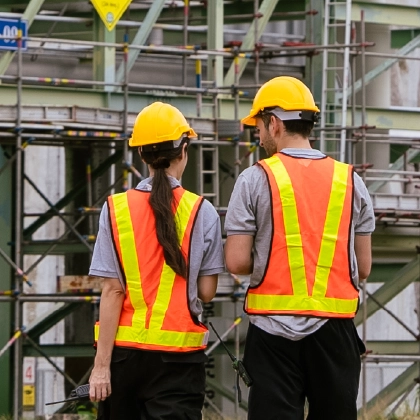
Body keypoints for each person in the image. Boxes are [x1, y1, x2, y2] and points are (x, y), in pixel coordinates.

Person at [224, 76, 375, 420]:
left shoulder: (254, 178)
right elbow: (362, 268)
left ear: (274, 124)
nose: (258, 135)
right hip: (335, 331)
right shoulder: (349, 180)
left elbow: (235, 261)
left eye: (259, 127)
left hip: (272, 332)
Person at [88, 101, 225, 420]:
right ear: (184, 150)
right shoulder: (201, 211)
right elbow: (206, 292)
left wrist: (101, 368)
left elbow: (112, 291)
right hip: (179, 360)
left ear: (141, 155)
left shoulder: (115, 209)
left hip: (124, 357)